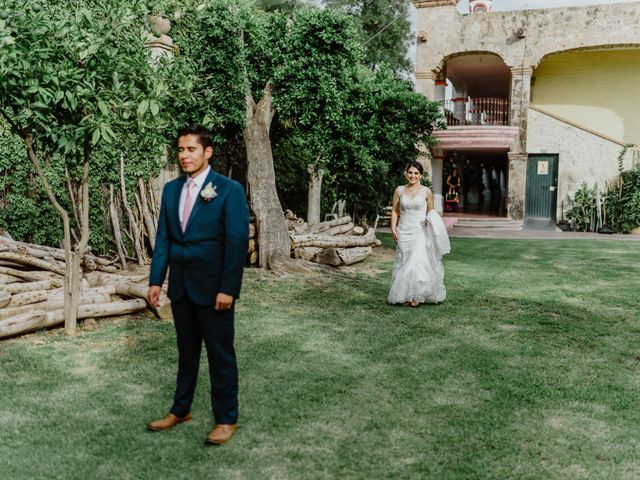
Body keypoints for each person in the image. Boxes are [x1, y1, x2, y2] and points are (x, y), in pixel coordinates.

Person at [147, 125, 249, 446]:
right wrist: (155, 281)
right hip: (180, 288)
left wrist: (228, 288)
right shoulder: (171, 190)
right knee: (186, 353)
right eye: (181, 150)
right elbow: (164, 237)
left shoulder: (229, 190)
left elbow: (236, 242)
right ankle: (181, 409)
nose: (184, 156)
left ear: (208, 152)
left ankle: (226, 418)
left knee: (221, 355)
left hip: (214, 289)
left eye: (191, 149)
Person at [388, 161, 450, 306]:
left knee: (417, 263)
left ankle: (416, 296)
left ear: (421, 175)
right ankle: (405, 295)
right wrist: (393, 228)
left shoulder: (426, 192)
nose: (413, 175)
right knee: (404, 262)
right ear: (406, 173)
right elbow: (395, 211)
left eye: (416, 173)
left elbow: (431, 212)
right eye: (410, 172)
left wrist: (431, 223)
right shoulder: (399, 190)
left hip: (419, 231)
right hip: (403, 230)